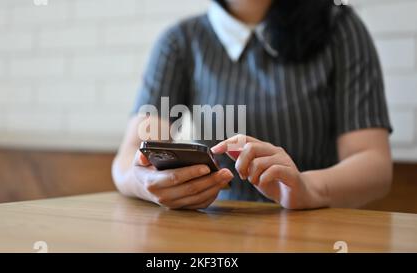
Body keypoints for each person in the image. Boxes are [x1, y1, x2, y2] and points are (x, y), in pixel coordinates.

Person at [111, 0, 393, 210]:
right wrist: (147, 184)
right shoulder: (180, 42)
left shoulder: (340, 28)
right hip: (215, 232)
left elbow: (373, 163)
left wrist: (307, 189)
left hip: (315, 228)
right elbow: (129, 160)